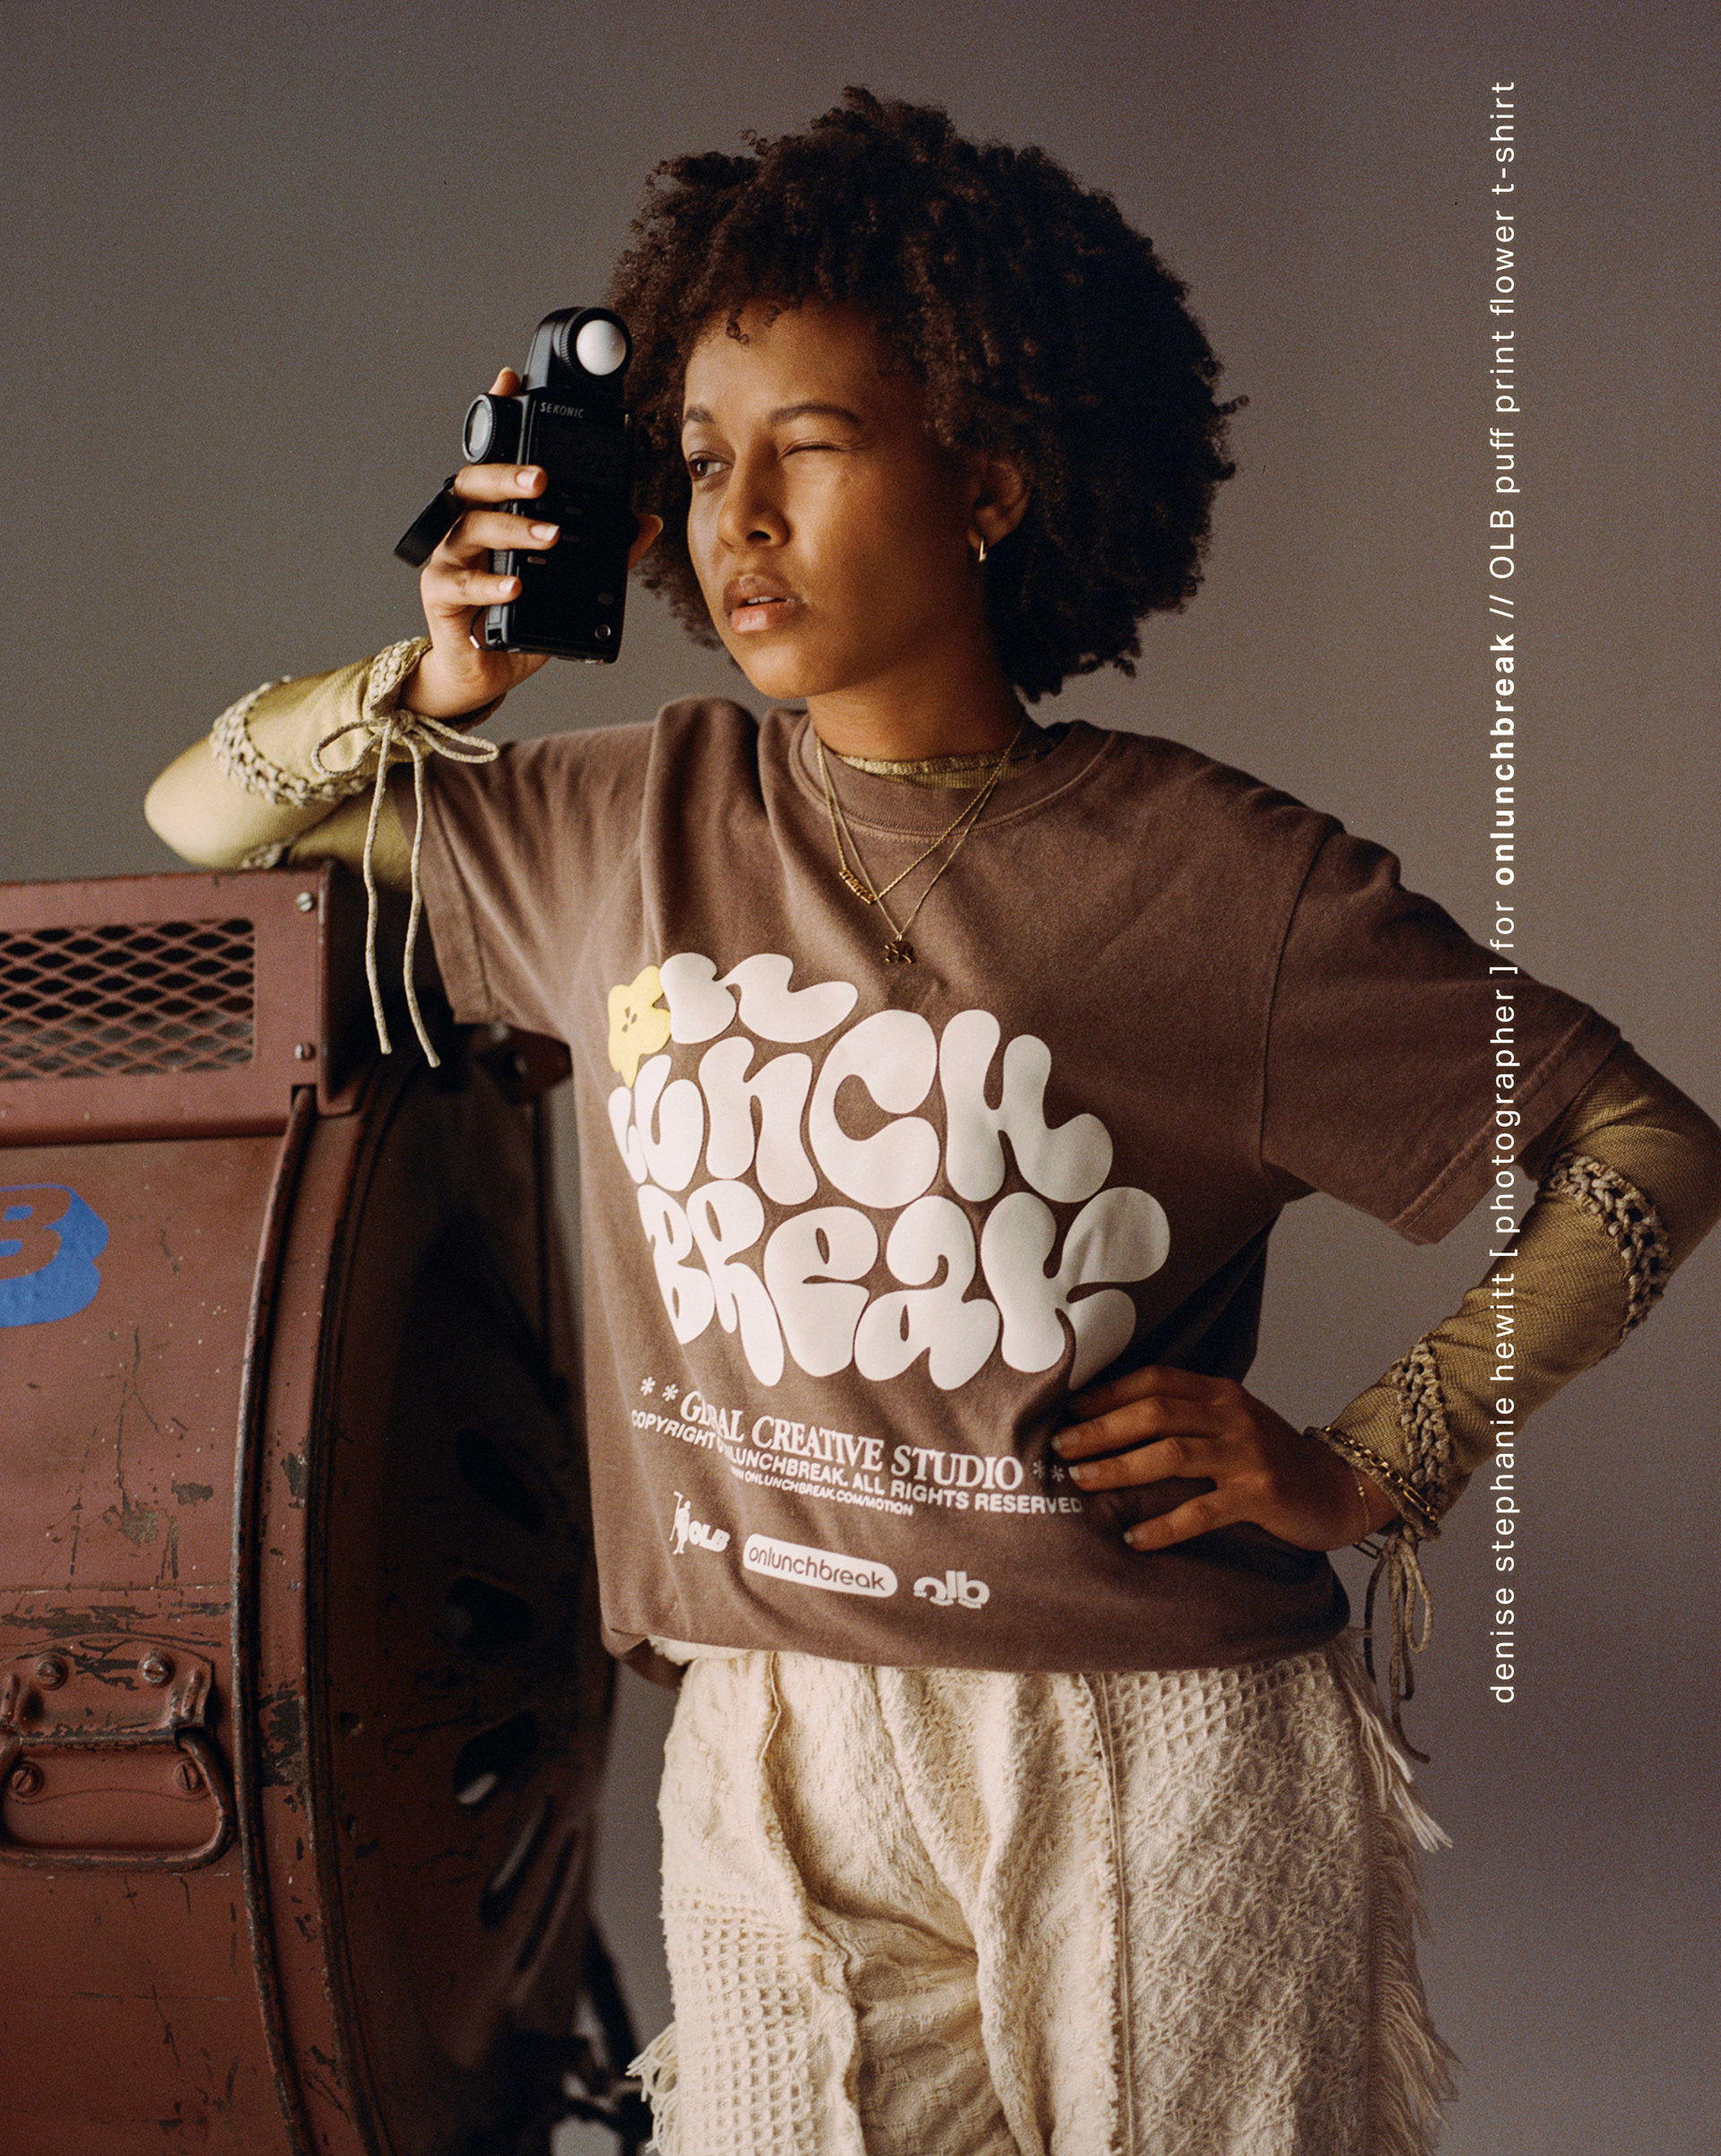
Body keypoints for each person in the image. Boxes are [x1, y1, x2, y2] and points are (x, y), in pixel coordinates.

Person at [146, 89, 1720, 2156]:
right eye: (702, 458)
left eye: (807, 447)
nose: (739, 519)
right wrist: (432, 680)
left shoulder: (1220, 886)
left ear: (987, 480)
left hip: (1150, 1744)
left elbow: (1645, 1145)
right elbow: (206, 823)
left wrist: (1375, 1461)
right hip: (768, 1733)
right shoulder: (621, 826)